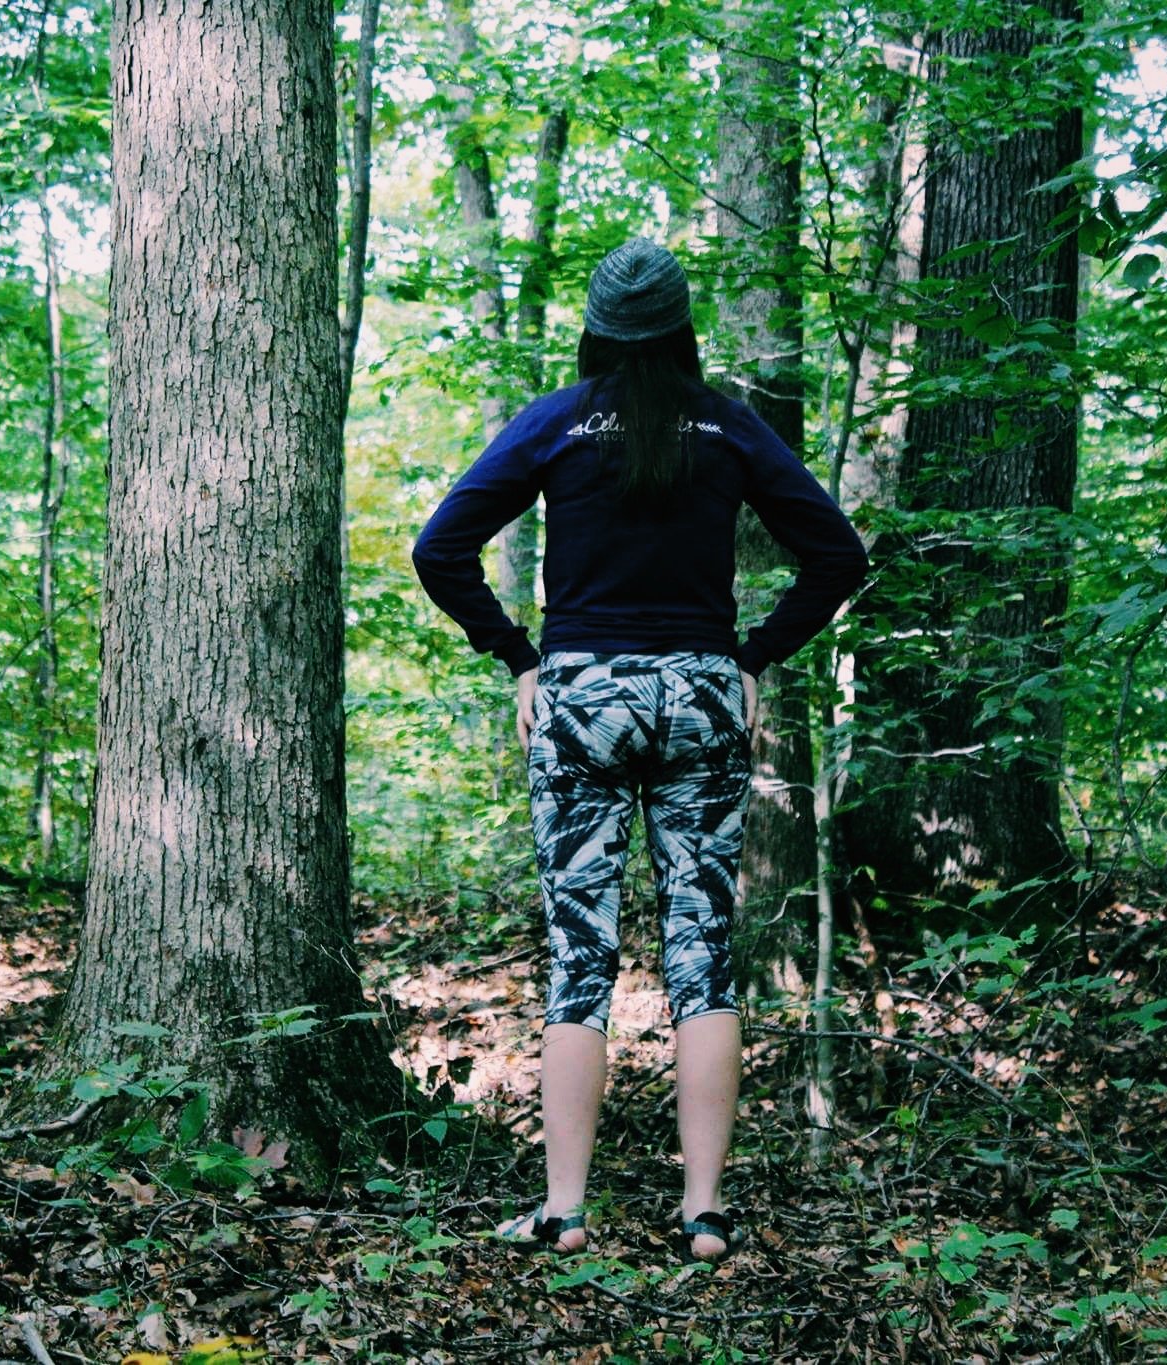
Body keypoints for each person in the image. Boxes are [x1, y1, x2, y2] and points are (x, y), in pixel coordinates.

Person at [410, 237, 869, 1261]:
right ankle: (701, 1213)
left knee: (581, 958)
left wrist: (519, 660)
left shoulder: (555, 422)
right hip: (699, 695)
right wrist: (749, 660)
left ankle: (563, 1210)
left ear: (595, 328)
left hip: (581, 697)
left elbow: (438, 548)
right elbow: (836, 554)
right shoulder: (728, 425)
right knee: (700, 958)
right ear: (681, 327)